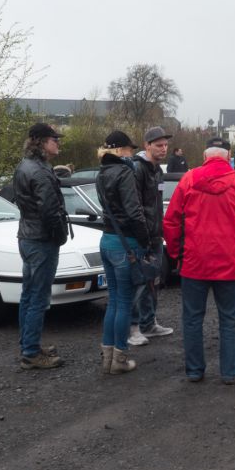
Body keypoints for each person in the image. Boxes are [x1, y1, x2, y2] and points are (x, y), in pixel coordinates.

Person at [164, 137, 235, 384]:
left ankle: (195, 370)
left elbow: (171, 220)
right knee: (229, 318)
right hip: (230, 261)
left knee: (192, 318)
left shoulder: (188, 179)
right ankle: (230, 372)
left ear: (206, 156)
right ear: (228, 156)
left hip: (194, 261)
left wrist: (176, 254)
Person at [13, 123, 68, 369]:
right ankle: (31, 353)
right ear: (41, 142)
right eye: (54, 139)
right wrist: (60, 235)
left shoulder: (24, 167)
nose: (58, 143)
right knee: (38, 297)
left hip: (27, 237)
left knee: (28, 294)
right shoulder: (40, 172)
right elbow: (49, 211)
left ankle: (29, 344)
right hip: (41, 240)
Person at [95, 130, 150, 374]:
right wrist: (145, 239)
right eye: (129, 148)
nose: (132, 152)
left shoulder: (101, 173)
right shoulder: (125, 172)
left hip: (106, 240)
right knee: (124, 303)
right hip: (125, 242)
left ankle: (108, 357)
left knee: (114, 301)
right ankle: (119, 359)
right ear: (121, 150)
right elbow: (133, 211)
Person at [128, 126, 175, 346]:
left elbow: (156, 203)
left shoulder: (158, 171)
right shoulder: (137, 169)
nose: (163, 149)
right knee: (138, 282)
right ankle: (133, 327)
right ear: (147, 145)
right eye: (159, 145)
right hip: (141, 235)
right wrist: (142, 233)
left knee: (152, 282)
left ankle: (149, 323)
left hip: (156, 234)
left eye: (165, 145)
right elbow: (135, 204)